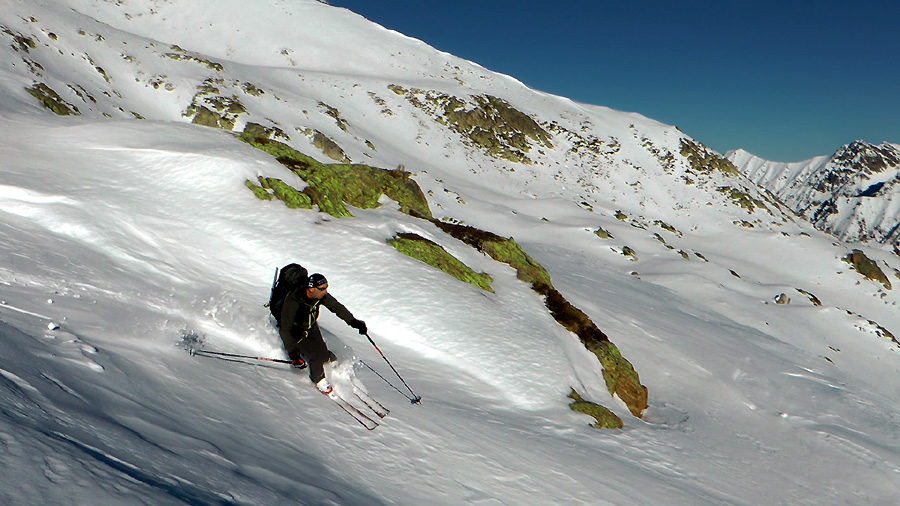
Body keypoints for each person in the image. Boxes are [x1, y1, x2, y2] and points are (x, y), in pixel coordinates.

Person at [278, 273, 367, 395]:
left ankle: (325, 356)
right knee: (316, 357)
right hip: (296, 332)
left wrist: (354, 322)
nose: (325, 292)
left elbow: (337, 307)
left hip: (311, 327)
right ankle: (318, 380)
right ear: (311, 289)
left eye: (326, 288)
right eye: (322, 289)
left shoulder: (320, 296)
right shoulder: (293, 300)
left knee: (323, 355)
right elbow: (285, 328)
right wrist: (293, 353)